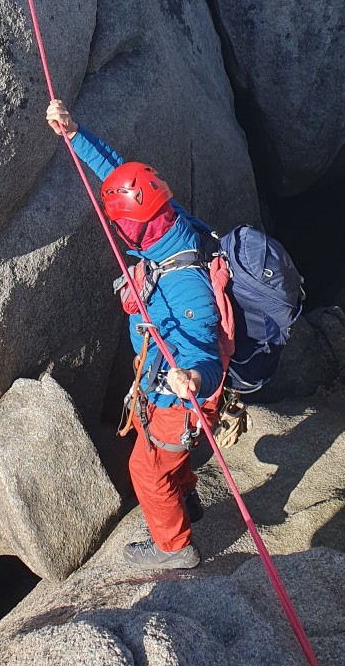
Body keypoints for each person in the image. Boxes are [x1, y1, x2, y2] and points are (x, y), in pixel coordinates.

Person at [46, 98, 225, 571]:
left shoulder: (185, 285)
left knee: (145, 467)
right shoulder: (170, 222)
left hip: (181, 390)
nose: (115, 227)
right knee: (168, 456)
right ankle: (186, 498)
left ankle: (174, 548)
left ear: (135, 227)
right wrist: (73, 131)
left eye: (119, 222)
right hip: (166, 379)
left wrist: (193, 379)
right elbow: (120, 179)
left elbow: (206, 351)